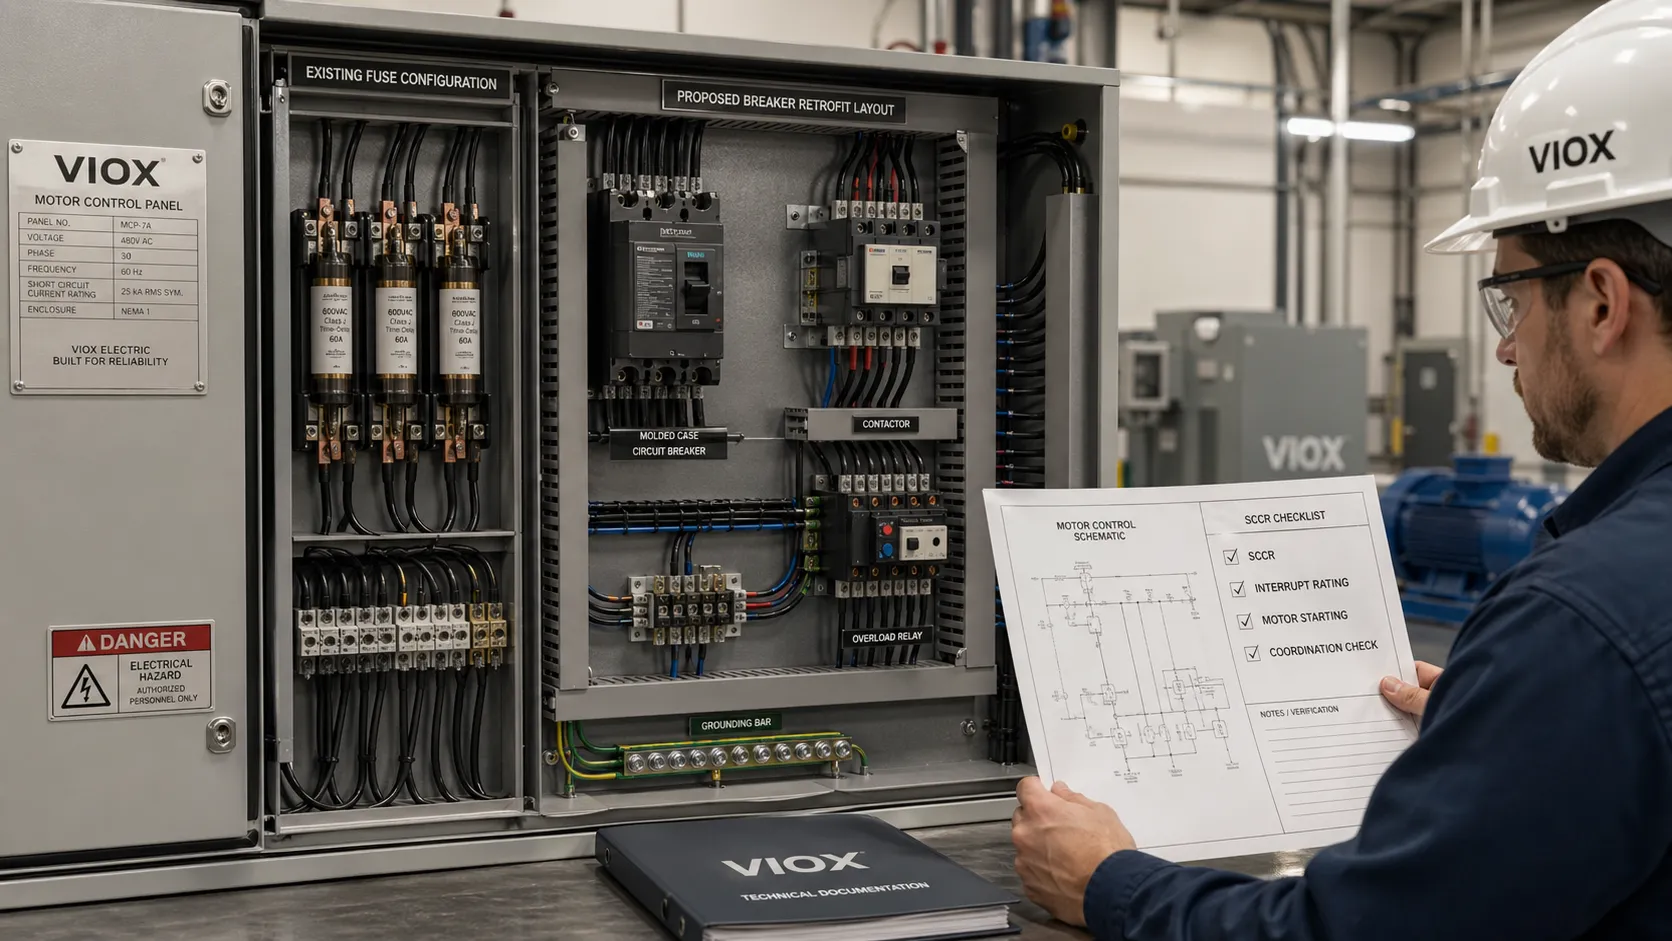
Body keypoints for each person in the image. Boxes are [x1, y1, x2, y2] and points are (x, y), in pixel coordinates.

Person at [1009, 1, 1672, 936]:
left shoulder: (1580, 627)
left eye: (1509, 297)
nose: (1506, 350)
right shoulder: (1580, 649)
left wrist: (1110, 880)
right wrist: (1516, 726)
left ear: (1602, 302)